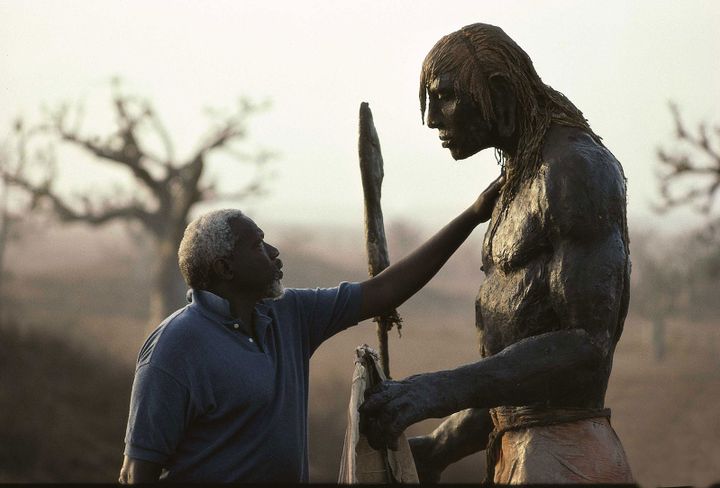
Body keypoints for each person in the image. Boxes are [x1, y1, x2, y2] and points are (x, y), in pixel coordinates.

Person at [360, 23, 633, 484]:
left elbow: (584, 345)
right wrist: (439, 448)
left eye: (445, 97)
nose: (432, 118)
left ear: (499, 93)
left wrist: (436, 388)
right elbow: (513, 378)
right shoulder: (516, 182)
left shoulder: (574, 170)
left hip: (565, 458)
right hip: (524, 452)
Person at [118, 175, 503, 483]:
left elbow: (384, 291)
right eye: (257, 246)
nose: (274, 253)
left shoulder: (289, 314)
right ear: (225, 268)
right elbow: (140, 470)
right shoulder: (175, 347)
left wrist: (472, 215)